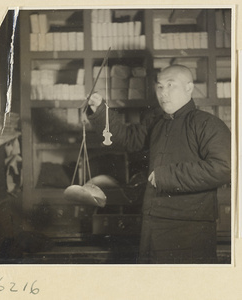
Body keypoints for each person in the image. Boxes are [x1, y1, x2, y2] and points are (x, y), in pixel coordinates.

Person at [86, 64, 231, 264]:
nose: (164, 93)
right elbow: (129, 139)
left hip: (190, 228)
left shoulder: (208, 124)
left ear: (189, 88)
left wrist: (167, 176)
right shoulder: (156, 121)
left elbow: (225, 168)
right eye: (160, 87)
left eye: (171, 86)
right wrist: (100, 111)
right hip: (153, 222)